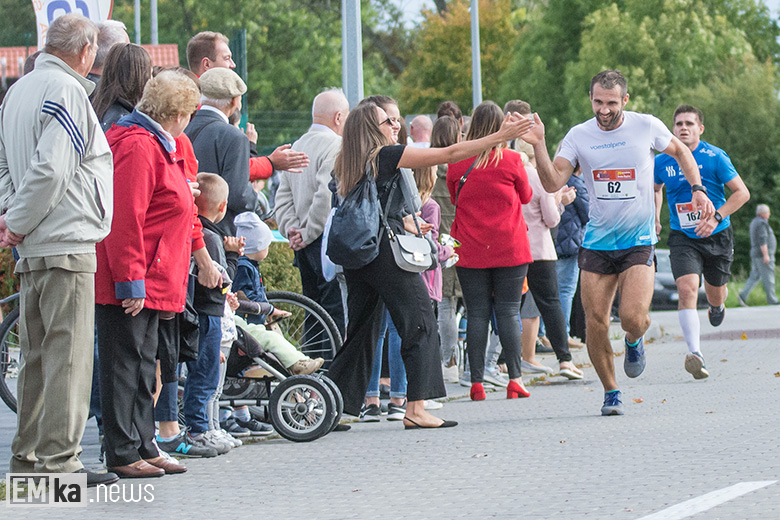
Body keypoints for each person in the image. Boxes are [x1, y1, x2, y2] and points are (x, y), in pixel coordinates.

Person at [327, 101, 532, 428]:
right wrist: (498, 136)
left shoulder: (348, 160)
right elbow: (448, 154)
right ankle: (416, 407)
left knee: (363, 330)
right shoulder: (385, 154)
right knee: (420, 319)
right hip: (385, 254)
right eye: (386, 122)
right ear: (370, 129)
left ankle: (329, 403)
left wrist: (402, 221)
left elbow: (369, 207)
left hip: (360, 255)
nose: (395, 127)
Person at [522, 70, 715, 416]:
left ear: (625, 100)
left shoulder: (646, 126)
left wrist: (698, 188)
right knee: (595, 321)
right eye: (598, 102)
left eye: (611, 103)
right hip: (596, 242)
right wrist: (538, 143)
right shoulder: (579, 136)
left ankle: (633, 340)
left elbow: (683, 154)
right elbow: (552, 183)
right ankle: (611, 391)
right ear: (591, 98)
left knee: (632, 317)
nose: (604, 110)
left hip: (638, 240)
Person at [0, 13, 118, 487]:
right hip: (65, 237)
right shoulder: (68, 91)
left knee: (34, 357)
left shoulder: (18, 91)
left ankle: (28, 463)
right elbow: (52, 168)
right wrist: (19, 222)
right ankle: (59, 464)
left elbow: (7, 166)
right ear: (87, 52)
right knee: (68, 358)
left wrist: (12, 221)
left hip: (32, 245)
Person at [97, 69, 200, 478]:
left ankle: (143, 443)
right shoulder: (139, 145)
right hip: (136, 277)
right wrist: (130, 280)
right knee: (125, 366)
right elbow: (126, 217)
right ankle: (123, 452)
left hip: (152, 275)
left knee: (142, 366)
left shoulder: (155, 142)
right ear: (180, 113)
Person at [447, 101, 534, 401]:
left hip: (470, 247)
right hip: (509, 247)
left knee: (477, 313)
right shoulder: (512, 160)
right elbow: (526, 196)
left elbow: (453, 197)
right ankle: (515, 379)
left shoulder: (457, 164)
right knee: (509, 311)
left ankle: (476, 383)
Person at [654, 105, 750, 379]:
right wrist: (655, 217)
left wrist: (716, 217)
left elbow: (742, 193)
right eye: (678, 124)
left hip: (717, 234)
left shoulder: (714, 157)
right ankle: (695, 353)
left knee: (714, 292)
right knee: (687, 288)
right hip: (683, 236)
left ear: (700, 129)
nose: (683, 128)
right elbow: (655, 189)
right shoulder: (662, 161)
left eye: (689, 123)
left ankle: (717, 305)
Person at [186, 31, 308, 182]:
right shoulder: (197, 104)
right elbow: (233, 169)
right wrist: (270, 162)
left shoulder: (187, 98)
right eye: (227, 58)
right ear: (206, 64)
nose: (233, 64)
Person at [275, 88, 350, 336]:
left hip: (302, 245)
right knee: (332, 314)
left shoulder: (297, 145)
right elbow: (326, 195)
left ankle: (311, 366)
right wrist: (308, 233)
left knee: (312, 308)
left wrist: (292, 230)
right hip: (324, 242)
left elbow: (283, 195)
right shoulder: (337, 146)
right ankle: (330, 371)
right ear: (338, 117)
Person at [429, 115, 462, 376]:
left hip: (434, 237)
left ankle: (447, 359)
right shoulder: (462, 165)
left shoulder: (426, 164)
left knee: (444, 303)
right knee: (472, 302)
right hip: (461, 236)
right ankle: (467, 362)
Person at [92, 43, 153, 131]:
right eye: (150, 74)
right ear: (139, 78)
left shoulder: (97, 109)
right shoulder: (126, 124)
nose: (152, 80)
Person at [738, 204, 778, 306]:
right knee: (768, 277)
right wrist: (766, 255)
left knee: (754, 276)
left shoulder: (754, 222)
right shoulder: (761, 223)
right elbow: (762, 239)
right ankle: (772, 301)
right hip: (762, 255)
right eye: (768, 212)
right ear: (764, 213)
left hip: (756, 254)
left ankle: (743, 295)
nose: (769, 214)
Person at [87, 20, 130, 88]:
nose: (130, 55)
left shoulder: (73, 85)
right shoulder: (116, 94)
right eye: (127, 50)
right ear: (116, 55)